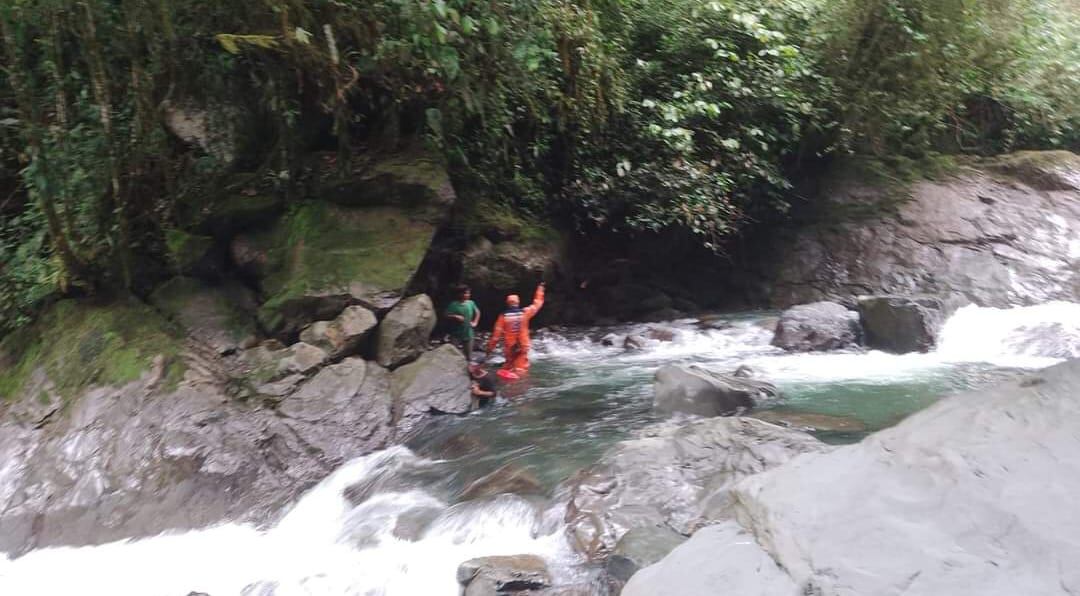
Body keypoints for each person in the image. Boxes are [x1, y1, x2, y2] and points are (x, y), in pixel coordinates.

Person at [486, 282, 545, 374]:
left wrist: (489, 349)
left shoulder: (503, 316)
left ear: (507, 303)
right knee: (521, 368)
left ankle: (508, 378)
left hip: (511, 346)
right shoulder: (525, 312)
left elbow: (495, 337)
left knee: (509, 365)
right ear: (518, 302)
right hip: (523, 345)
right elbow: (538, 303)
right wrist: (540, 289)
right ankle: (521, 380)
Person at [445, 284, 480, 360]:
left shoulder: (471, 303)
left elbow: (477, 312)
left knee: (468, 357)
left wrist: (475, 322)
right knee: (452, 356)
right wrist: (455, 316)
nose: (468, 295)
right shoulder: (453, 304)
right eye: (466, 293)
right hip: (456, 334)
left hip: (468, 333)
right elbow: (446, 315)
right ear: (460, 294)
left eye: (469, 293)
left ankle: (467, 366)